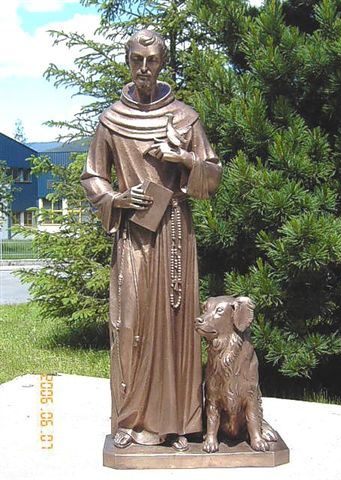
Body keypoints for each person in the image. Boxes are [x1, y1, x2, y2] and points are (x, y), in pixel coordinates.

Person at [80, 29, 222, 452]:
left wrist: (184, 158)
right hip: (135, 236)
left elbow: (212, 175)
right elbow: (92, 176)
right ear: (127, 61)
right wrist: (117, 198)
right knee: (132, 322)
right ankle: (129, 418)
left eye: (153, 60)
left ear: (163, 62)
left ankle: (177, 423)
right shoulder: (111, 120)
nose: (145, 68)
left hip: (176, 231)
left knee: (177, 323)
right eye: (137, 60)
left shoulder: (184, 118)